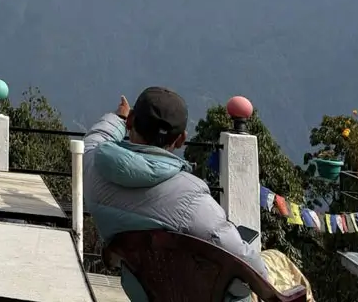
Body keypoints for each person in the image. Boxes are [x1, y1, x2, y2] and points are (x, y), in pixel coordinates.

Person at [84, 87, 314, 302]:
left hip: (146, 292)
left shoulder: (95, 168)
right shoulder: (189, 195)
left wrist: (118, 118)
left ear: (132, 121)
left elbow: (95, 140)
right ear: (182, 139)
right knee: (278, 260)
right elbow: (243, 258)